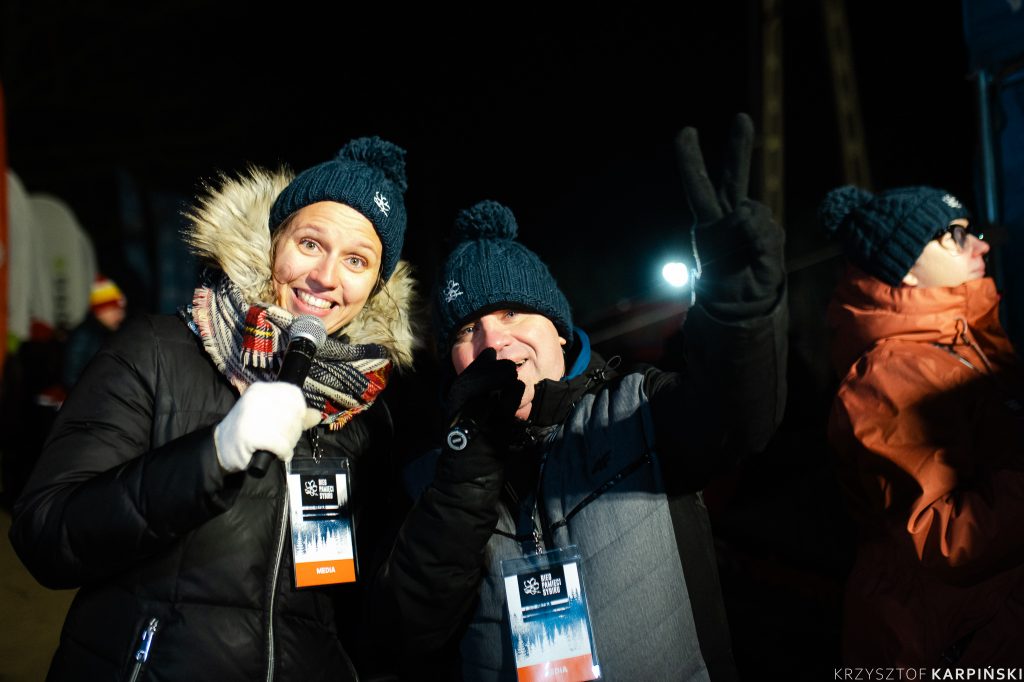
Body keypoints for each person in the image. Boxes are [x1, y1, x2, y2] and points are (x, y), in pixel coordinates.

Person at [375, 114, 787, 680]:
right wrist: (469, 460)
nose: (494, 338)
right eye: (467, 330)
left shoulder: (636, 410)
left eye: (513, 312)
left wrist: (737, 315)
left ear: (560, 332)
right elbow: (406, 634)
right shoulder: (427, 480)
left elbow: (738, 420)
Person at [9, 136, 417, 681]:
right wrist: (215, 455)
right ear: (274, 241)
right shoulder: (157, 350)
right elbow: (46, 534)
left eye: (357, 260)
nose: (326, 277)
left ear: (376, 286)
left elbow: (363, 618)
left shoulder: (364, 412)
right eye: (311, 243)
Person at [821, 185, 1024, 666]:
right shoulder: (888, 376)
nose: (980, 244)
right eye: (955, 235)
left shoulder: (967, 338)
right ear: (907, 268)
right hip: (940, 647)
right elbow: (944, 537)